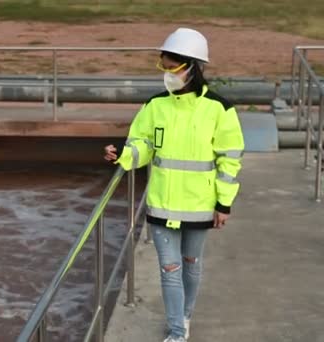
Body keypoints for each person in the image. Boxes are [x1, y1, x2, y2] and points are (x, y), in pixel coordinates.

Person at [104, 28, 244, 342]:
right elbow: (143, 146)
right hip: (162, 204)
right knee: (170, 270)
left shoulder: (220, 110)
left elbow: (229, 160)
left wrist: (223, 204)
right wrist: (122, 154)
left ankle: (185, 315)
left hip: (199, 204)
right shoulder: (155, 106)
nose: (167, 75)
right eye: (163, 68)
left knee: (191, 264)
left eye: (172, 68)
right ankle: (177, 332)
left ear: (193, 67)